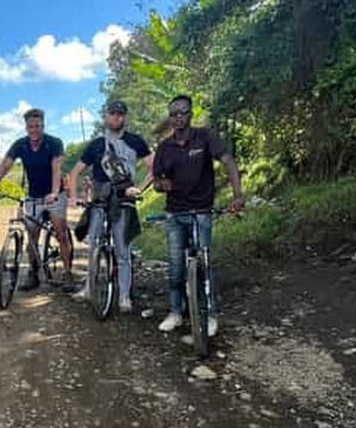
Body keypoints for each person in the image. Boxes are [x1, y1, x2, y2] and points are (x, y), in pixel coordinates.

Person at [152, 94, 244, 336]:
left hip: (202, 211)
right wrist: (163, 185)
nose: (179, 117)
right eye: (174, 114)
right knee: (175, 266)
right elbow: (156, 182)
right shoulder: (164, 147)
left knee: (204, 263)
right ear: (169, 118)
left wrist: (237, 195)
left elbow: (228, 161)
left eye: (183, 112)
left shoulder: (205, 137)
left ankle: (211, 314)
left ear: (190, 114)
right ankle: (175, 312)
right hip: (175, 214)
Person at [68, 100, 153, 311]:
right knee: (93, 247)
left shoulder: (136, 142)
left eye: (121, 114)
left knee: (123, 251)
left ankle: (124, 295)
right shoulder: (96, 144)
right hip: (99, 201)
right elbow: (75, 171)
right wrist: (72, 196)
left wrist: (141, 188)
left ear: (125, 117)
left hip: (124, 200)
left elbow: (154, 168)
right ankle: (89, 288)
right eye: (113, 113)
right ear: (106, 116)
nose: (117, 117)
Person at [0, 108, 74, 293]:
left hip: (53, 193)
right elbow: (5, 166)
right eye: (31, 126)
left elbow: (56, 168)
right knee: (31, 236)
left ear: (43, 125)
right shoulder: (20, 145)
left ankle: (67, 273)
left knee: (60, 232)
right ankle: (33, 273)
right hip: (33, 195)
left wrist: (54, 192)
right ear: (26, 127)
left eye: (38, 126)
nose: (34, 129)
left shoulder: (54, 143)